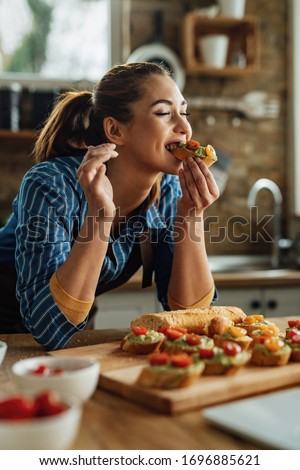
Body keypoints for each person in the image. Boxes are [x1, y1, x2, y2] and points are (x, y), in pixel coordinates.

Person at [0, 62, 219, 350]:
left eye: (184, 111)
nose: (184, 127)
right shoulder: (51, 184)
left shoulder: (168, 192)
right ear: (115, 130)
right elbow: (47, 327)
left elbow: (193, 319)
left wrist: (191, 216)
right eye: (165, 113)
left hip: (71, 327)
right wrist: (100, 217)